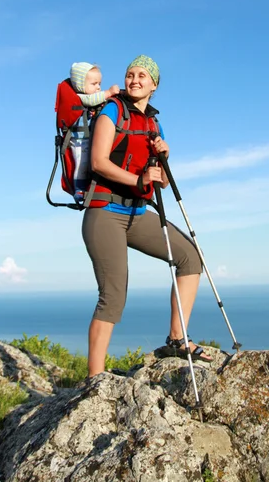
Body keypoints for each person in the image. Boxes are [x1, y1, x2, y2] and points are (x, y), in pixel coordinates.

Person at [82, 55, 212, 377]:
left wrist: (164, 159)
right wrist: (138, 181)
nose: (134, 80)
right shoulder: (111, 111)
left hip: (137, 214)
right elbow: (98, 162)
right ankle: (94, 380)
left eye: (142, 75)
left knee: (190, 258)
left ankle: (177, 339)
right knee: (113, 296)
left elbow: (161, 182)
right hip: (104, 213)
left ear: (154, 85)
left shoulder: (154, 123)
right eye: (130, 74)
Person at [68, 62, 120, 199]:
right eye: (94, 84)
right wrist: (108, 93)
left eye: (99, 84)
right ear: (80, 86)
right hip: (79, 140)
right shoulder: (80, 97)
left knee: (89, 163)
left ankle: (90, 186)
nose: (98, 87)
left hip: (87, 138)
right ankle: (78, 189)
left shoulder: (91, 97)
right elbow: (91, 100)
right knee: (81, 164)